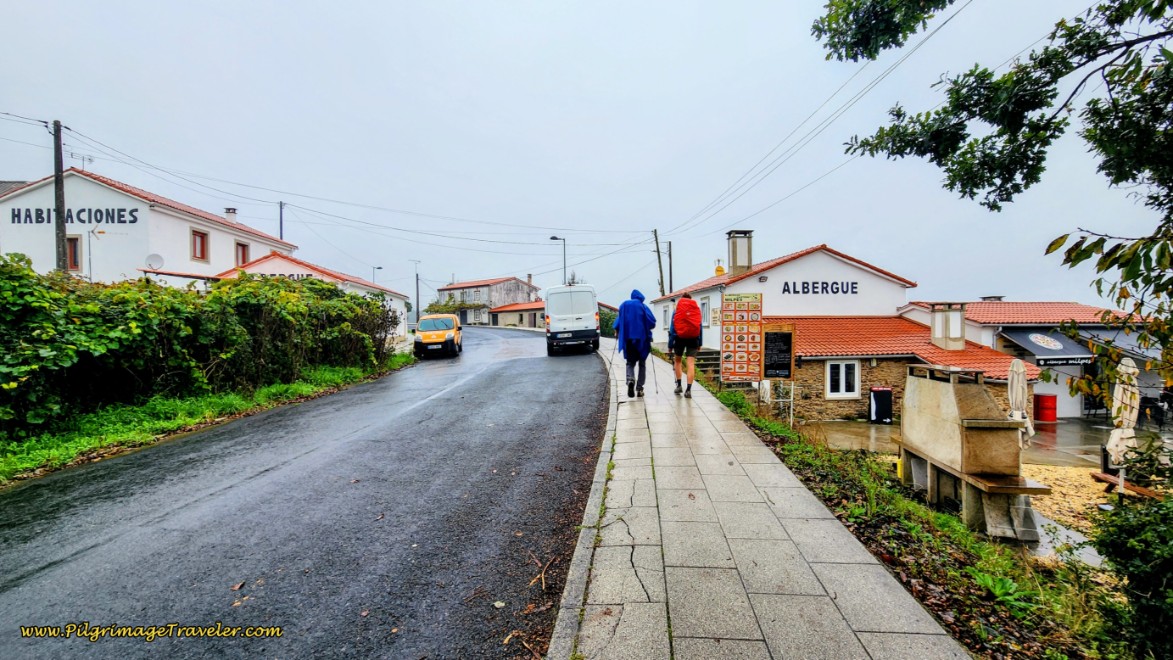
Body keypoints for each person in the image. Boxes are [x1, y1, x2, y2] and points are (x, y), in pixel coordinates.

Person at [613, 289, 656, 398]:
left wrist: (617, 331)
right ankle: (640, 388)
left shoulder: (624, 306)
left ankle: (630, 379)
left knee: (630, 363)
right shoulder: (643, 306)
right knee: (642, 364)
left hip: (628, 340)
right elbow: (652, 322)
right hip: (642, 340)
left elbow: (618, 322)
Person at [668, 292, 703, 398]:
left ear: (682, 299)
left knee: (678, 361)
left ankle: (679, 385)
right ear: (691, 299)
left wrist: (670, 344)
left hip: (679, 337)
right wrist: (700, 343)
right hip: (693, 338)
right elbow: (700, 327)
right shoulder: (696, 310)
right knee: (690, 364)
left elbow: (672, 328)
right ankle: (688, 390)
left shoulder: (677, 310)